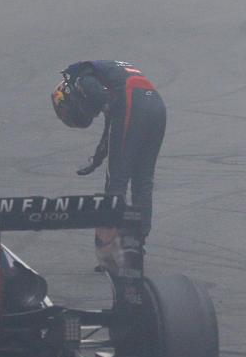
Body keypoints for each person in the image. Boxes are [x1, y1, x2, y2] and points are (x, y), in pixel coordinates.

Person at [51, 60, 166, 237]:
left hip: (133, 105)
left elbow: (98, 96)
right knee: (143, 179)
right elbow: (111, 129)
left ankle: (111, 240)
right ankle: (138, 240)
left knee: (116, 180)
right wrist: (97, 159)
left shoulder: (80, 77)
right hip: (158, 108)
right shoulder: (107, 74)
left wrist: (92, 109)